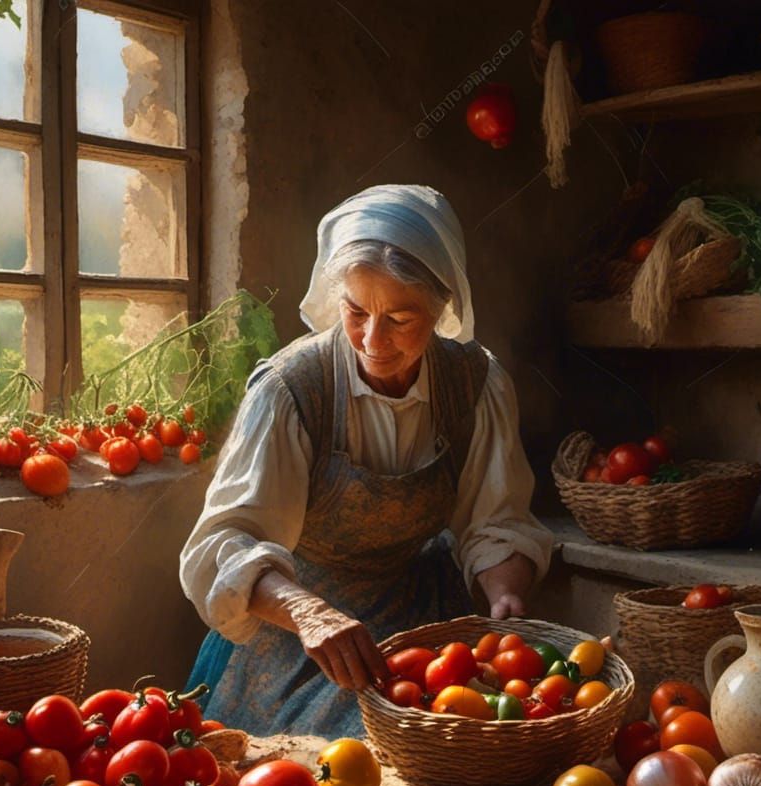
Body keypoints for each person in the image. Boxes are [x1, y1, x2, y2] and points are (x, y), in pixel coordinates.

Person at [179, 184, 553, 739]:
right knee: (343, 759)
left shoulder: (475, 383)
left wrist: (504, 593)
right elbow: (222, 544)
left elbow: (494, 520)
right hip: (300, 631)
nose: (373, 341)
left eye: (400, 319)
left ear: (441, 304)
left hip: (421, 614)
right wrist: (310, 614)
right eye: (356, 312)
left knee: (461, 736)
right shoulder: (292, 390)